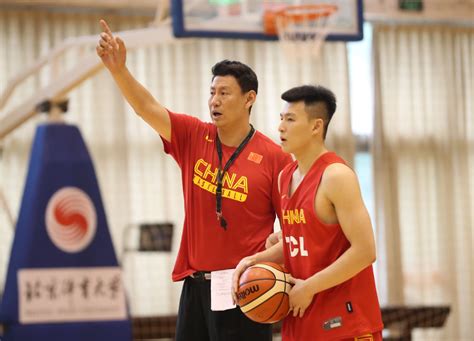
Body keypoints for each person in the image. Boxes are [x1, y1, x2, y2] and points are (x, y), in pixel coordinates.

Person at [96, 20, 292, 341]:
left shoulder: (274, 158)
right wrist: (119, 70)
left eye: (225, 93)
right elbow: (146, 107)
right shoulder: (193, 135)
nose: (214, 100)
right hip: (196, 285)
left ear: (249, 99)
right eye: (212, 92)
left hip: (244, 287)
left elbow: (294, 232)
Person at [232, 85, 384, 340]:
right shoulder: (285, 177)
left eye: (290, 120)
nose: (281, 127)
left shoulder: (336, 176)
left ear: (316, 126)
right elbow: (300, 242)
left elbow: (365, 251)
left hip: (345, 323)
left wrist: (310, 287)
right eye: (281, 119)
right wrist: (252, 260)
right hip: (302, 318)